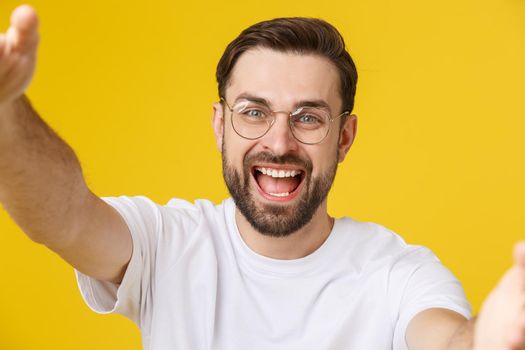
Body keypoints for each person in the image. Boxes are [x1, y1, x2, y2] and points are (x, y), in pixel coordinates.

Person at [1, 4, 525, 350]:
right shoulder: (166, 243)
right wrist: (7, 110)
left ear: (344, 138)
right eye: (254, 112)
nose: (279, 143)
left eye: (309, 117)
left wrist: (491, 338)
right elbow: (63, 215)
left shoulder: (399, 274)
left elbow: (447, 339)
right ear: (219, 125)